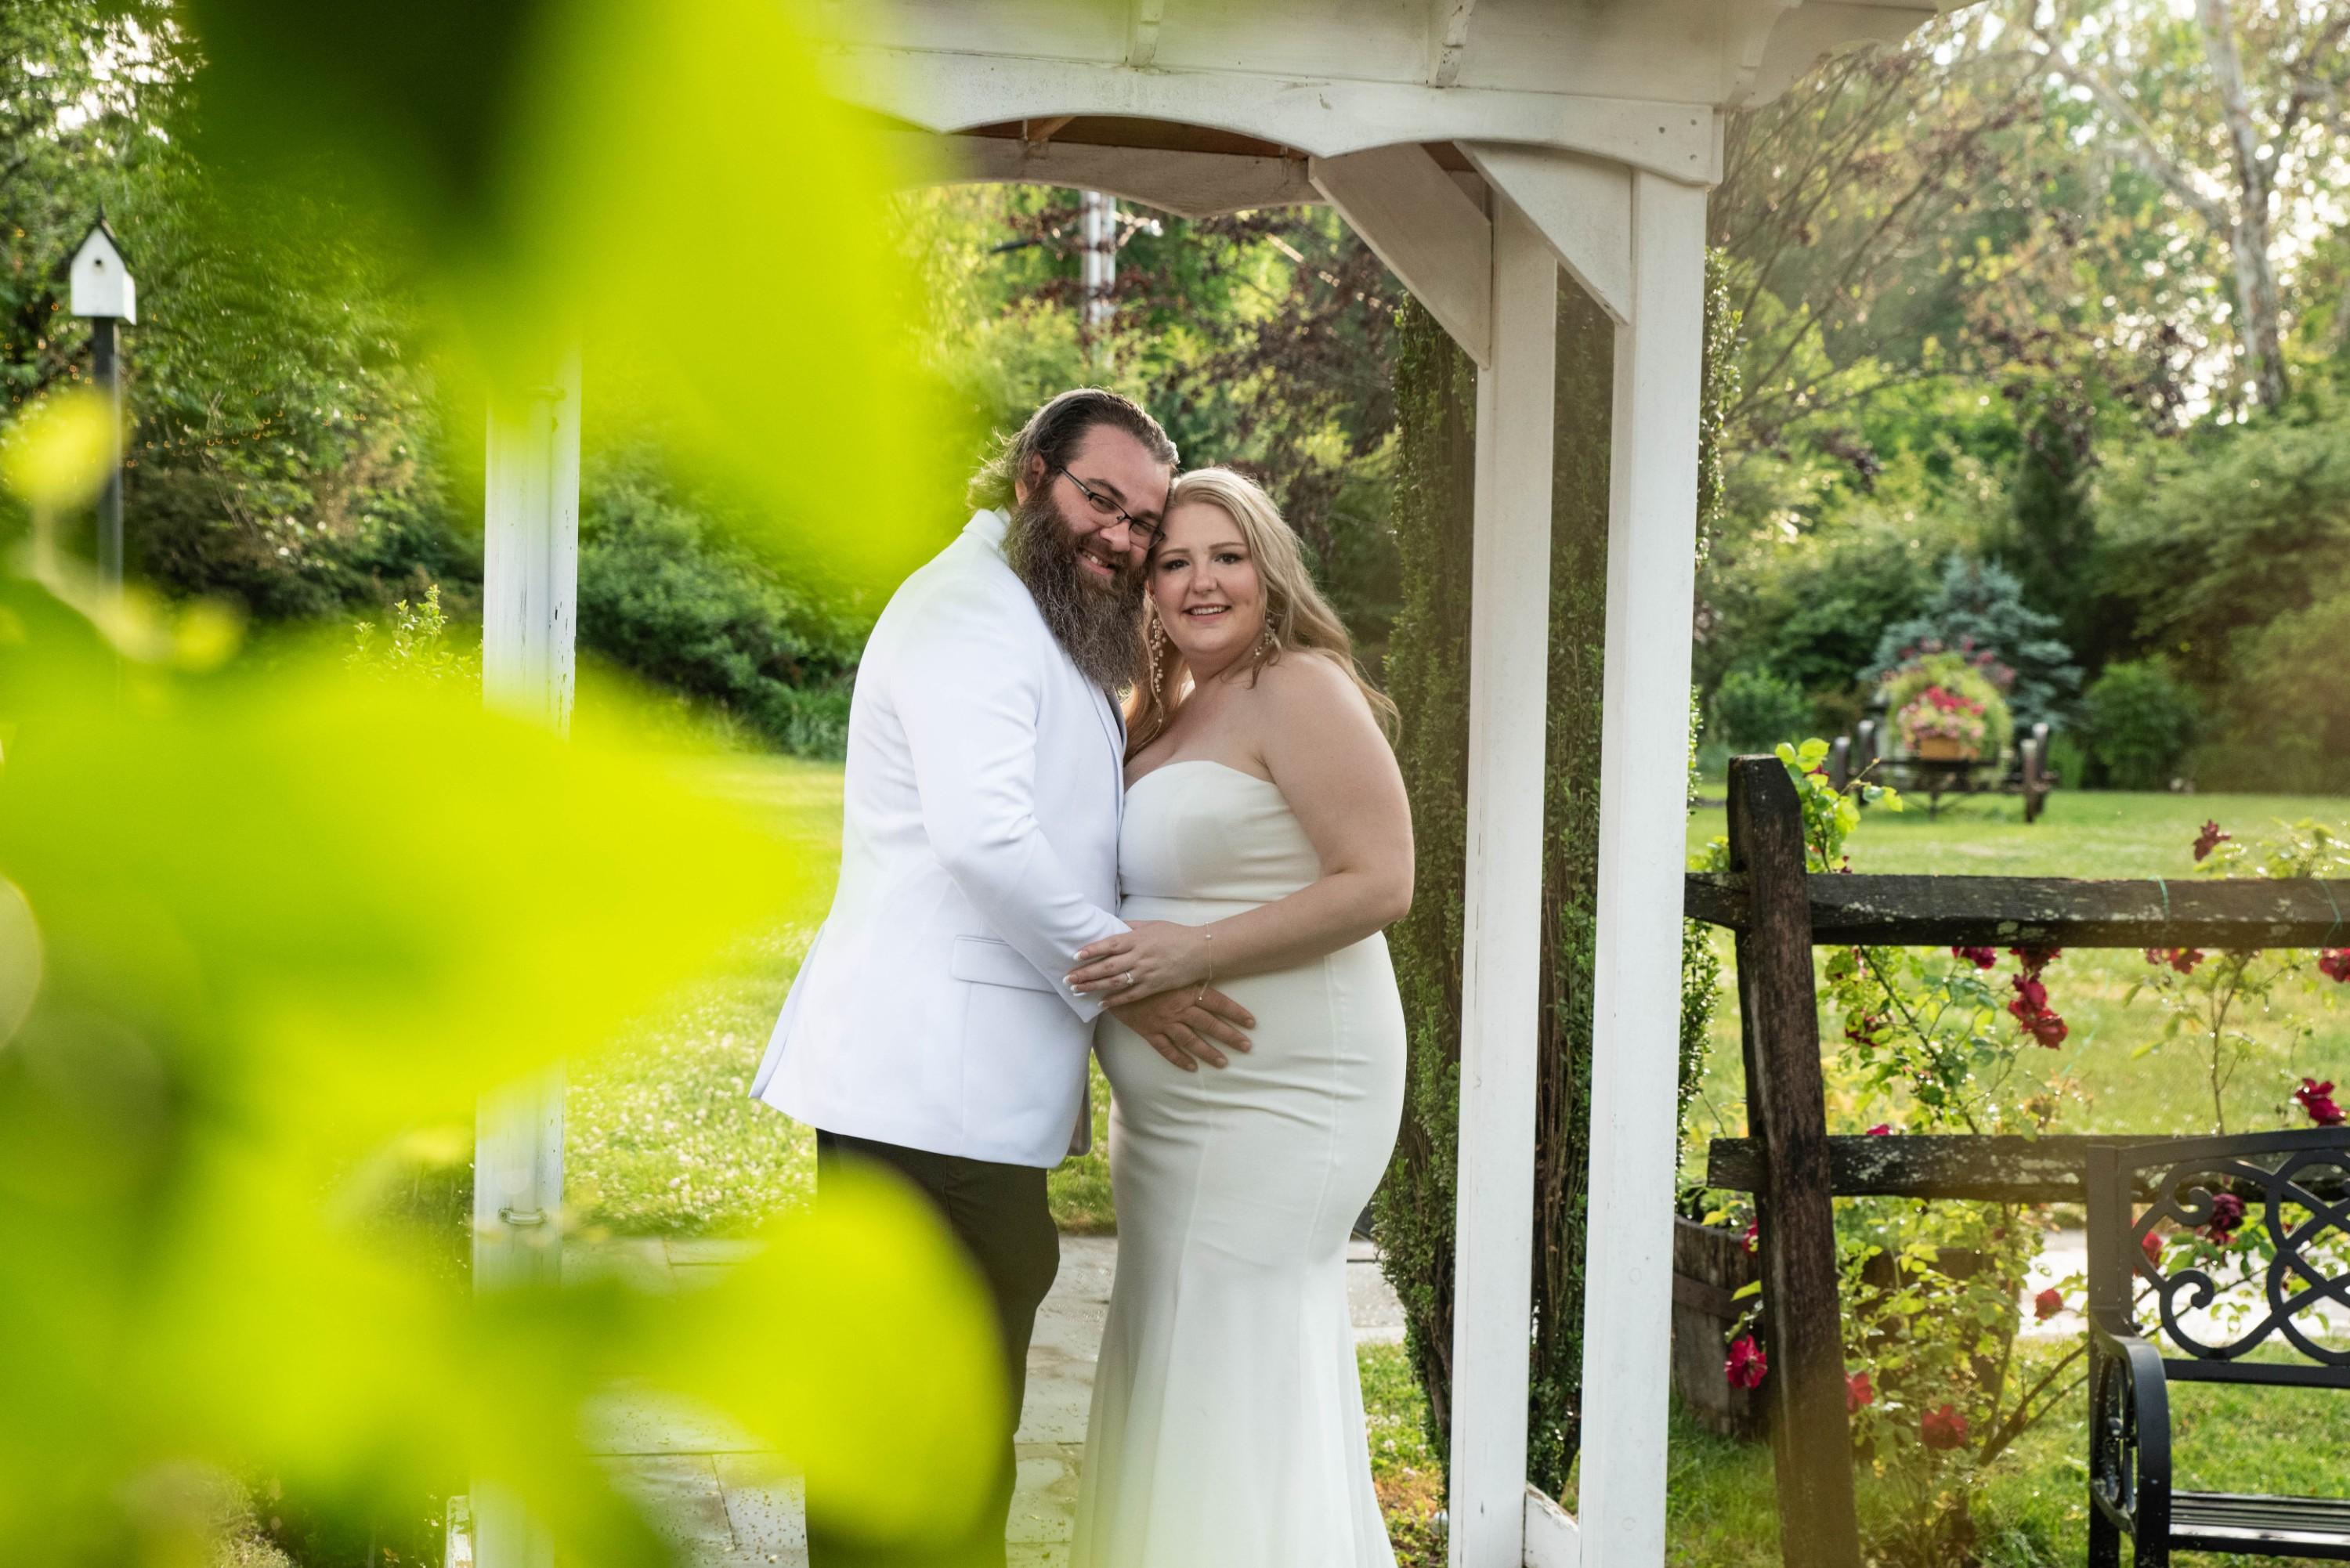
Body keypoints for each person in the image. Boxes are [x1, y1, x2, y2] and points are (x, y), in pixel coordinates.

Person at [748, 391, 1257, 1568]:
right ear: (1033, 474)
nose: (1125, 540)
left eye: (1142, 519)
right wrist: (1135, 978)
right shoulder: (971, 611)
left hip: (961, 1093)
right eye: (1102, 501)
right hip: (928, 1084)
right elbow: (988, 841)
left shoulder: (1038, 611)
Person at [1064, 467, 1414, 1568]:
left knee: (1235, 1337)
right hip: (1170, 1121)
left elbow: (1382, 880)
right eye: (1174, 561)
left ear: (1270, 569)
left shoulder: (1299, 684)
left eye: (1227, 556)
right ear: (1148, 587)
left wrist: (1193, 953)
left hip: (1285, 1091)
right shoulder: (1156, 707)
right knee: (1175, 1335)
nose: (1201, 581)